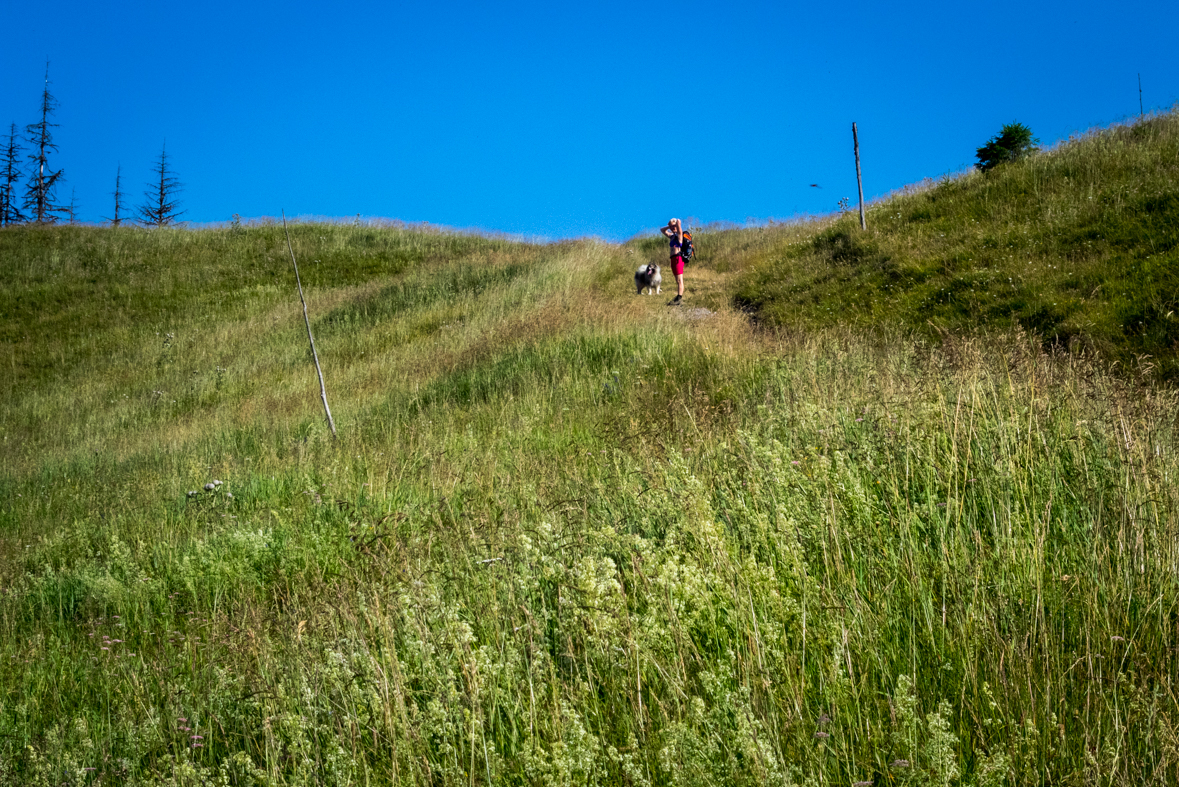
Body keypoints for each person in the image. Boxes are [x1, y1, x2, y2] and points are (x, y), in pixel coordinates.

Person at [660, 218, 685, 304]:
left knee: (680, 279)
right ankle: (678, 297)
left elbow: (679, 230)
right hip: (672, 259)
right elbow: (662, 230)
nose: (672, 228)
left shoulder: (679, 234)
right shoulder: (671, 236)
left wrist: (677, 224)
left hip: (678, 258)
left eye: (674, 226)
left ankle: (679, 298)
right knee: (676, 280)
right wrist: (669, 226)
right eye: (671, 226)